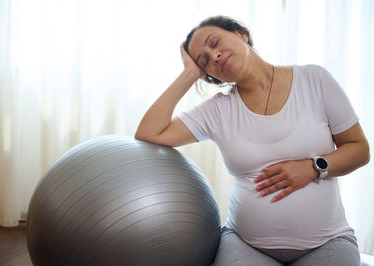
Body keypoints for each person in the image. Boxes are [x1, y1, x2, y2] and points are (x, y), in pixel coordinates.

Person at [135, 15, 370, 266]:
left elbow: (359, 149)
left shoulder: (315, 80)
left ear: (240, 34)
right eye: (204, 61)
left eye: (214, 43)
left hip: (327, 242)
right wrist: (189, 74)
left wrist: (313, 168)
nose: (213, 56)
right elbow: (150, 133)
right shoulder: (217, 110)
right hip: (247, 244)